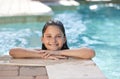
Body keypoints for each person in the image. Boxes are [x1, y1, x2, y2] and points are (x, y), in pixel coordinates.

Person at [9, 19, 95, 60]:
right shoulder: (39, 52)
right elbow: (13, 52)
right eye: (49, 36)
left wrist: (57, 53)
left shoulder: (70, 53)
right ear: (42, 39)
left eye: (58, 36)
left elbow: (90, 53)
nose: (53, 41)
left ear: (64, 39)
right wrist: (44, 55)